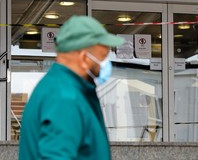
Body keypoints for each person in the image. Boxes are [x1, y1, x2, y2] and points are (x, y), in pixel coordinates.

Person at [19, 15, 124, 160]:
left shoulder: (59, 88)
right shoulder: (64, 97)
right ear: (84, 58)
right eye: (103, 56)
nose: (106, 63)